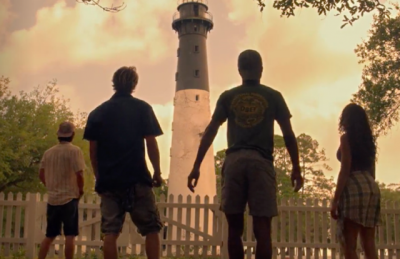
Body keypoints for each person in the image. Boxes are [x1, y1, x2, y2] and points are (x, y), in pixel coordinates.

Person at [187, 49, 304, 259]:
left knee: (234, 228)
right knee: (262, 229)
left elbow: (211, 130)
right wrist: (296, 167)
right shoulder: (274, 96)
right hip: (261, 162)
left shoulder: (228, 97)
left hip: (234, 163)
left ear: (239, 70)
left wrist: (196, 165)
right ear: (261, 69)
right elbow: (288, 134)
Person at [83, 66, 164, 259]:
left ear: (114, 83)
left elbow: (93, 152)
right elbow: (151, 143)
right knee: (151, 229)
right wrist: (157, 172)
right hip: (137, 178)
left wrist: (99, 177)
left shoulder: (97, 113)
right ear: (134, 84)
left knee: (110, 232)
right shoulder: (143, 108)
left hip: (110, 181)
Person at [330, 103, 380, 259]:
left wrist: (335, 199)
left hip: (354, 186)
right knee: (369, 241)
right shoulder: (369, 142)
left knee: (349, 244)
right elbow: (372, 170)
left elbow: (345, 168)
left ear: (346, 119)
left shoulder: (346, 139)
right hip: (371, 187)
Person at [38, 121, 85, 259]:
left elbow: (41, 173)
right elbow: (80, 174)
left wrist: (50, 185)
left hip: (53, 199)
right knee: (70, 235)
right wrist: (80, 190)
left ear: (58, 134)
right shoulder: (75, 151)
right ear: (72, 135)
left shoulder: (48, 153)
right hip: (69, 198)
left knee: (49, 235)